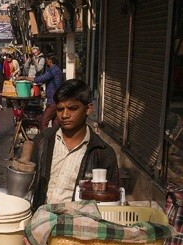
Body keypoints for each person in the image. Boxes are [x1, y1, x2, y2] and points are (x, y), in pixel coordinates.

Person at [30, 79, 118, 211]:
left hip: (78, 226)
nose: (65, 115)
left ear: (88, 109)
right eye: (60, 109)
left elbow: (111, 201)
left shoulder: (103, 153)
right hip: (39, 220)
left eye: (72, 108)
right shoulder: (42, 141)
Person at [33, 55, 64, 131]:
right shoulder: (56, 70)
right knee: (56, 123)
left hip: (53, 100)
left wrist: (26, 78)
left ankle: (46, 138)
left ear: (50, 61)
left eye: (46, 60)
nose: (46, 62)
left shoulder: (53, 70)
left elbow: (41, 78)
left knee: (43, 122)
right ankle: (53, 139)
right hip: (56, 99)